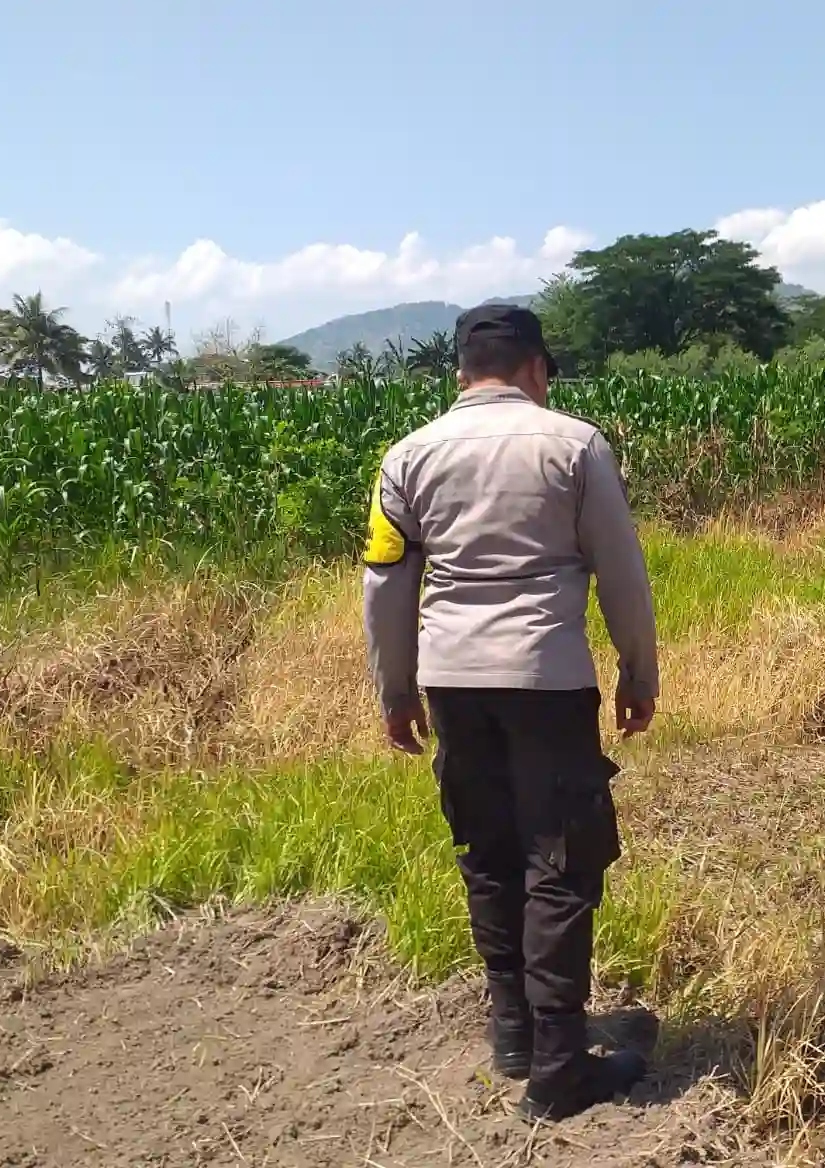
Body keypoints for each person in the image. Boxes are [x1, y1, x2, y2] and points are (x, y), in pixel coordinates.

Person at [362, 303, 660, 1121]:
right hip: (547, 680)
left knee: (487, 848)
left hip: (452, 682)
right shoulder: (574, 443)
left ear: (461, 374)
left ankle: (516, 1033)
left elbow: (386, 583)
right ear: (537, 369)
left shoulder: (408, 456)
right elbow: (620, 568)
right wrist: (639, 670)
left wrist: (396, 692)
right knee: (560, 862)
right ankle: (560, 1070)